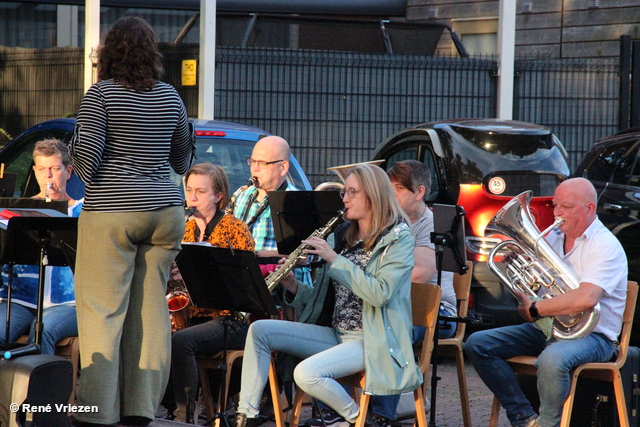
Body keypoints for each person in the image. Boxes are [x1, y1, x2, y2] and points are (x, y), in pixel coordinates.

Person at [68, 16, 195, 427]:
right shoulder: (170, 96)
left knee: (103, 311)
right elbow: (182, 161)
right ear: (151, 55)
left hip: (113, 213)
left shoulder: (101, 96)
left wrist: (75, 143)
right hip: (167, 212)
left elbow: (86, 166)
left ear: (107, 53)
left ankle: (98, 412)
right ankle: (141, 408)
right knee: (150, 311)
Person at [235, 163, 422, 427]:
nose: (344, 199)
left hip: (375, 340)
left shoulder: (398, 238)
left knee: (307, 373)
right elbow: (327, 298)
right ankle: (248, 416)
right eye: (345, 192)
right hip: (337, 334)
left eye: (352, 192)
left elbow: (380, 294)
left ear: (373, 195)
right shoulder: (343, 235)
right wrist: (293, 286)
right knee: (261, 330)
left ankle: (358, 419)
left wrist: (334, 259)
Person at [465, 177, 628, 427]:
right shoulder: (551, 239)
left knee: (552, 360)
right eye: (555, 206)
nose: (558, 213)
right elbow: (544, 290)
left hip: (595, 337)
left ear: (589, 208)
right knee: (478, 343)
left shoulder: (605, 246)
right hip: (552, 328)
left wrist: (536, 308)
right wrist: (523, 277)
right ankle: (524, 418)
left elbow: (586, 298)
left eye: (567, 207)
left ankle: (548, 423)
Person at [169, 163, 255, 422]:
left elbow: (244, 282)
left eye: (201, 192)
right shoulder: (182, 229)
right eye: (189, 190)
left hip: (229, 318)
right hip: (193, 315)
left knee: (181, 342)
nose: (192, 197)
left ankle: (184, 414)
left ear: (218, 196)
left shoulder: (234, 229)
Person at [0, 139, 82, 355]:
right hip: (21, 299)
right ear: (35, 171)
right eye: (42, 169)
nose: (48, 177)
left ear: (68, 171)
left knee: (42, 331)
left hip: (68, 303)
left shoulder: (83, 213)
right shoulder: (17, 212)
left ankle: (41, 386)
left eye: (55, 169)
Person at [227, 135, 311, 289]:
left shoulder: (296, 201)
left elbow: (304, 256)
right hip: (247, 284)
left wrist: (255, 255)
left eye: (262, 163)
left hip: (285, 290)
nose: (255, 168)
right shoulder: (242, 194)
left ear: (283, 167)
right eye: (252, 162)